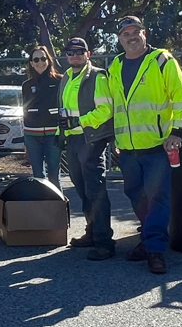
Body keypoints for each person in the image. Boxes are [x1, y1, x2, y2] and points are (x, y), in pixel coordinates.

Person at [107, 16, 182, 274]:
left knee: (157, 198)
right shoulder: (115, 65)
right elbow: (113, 105)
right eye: (125, 34)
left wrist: (178, 131)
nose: (131, 37)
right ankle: (148, 240)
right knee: (136, 195)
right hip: (128, 149)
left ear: (144, 33)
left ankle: (155, 251)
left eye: (135, 32)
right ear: (119, 39)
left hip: (157, 145)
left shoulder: (161, 60)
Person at [57, 37, 115, 261]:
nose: (74, 55)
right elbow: (63, 110)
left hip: (91, 138)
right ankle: (91, 232)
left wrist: (80, 122)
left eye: (79, 51)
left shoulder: (97, 76)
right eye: (70, 52)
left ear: (88, 54)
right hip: (72, 140)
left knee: (95, 190)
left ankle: (104, 243)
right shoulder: (67, 77)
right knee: (81, 189)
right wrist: (60, 133)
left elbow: (105, 110)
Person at [21, 45, 63, 191]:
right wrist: (26, 141)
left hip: (53, 135)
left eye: (43, 58)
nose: (40, 62)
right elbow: (25, 111)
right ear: (31, 63)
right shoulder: (26, 85)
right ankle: (42, 210)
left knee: (54, 175)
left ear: (49, 60)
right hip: (32, 136)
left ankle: (59, 210)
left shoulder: (60, 81)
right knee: (38, 176)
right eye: (36, 59)